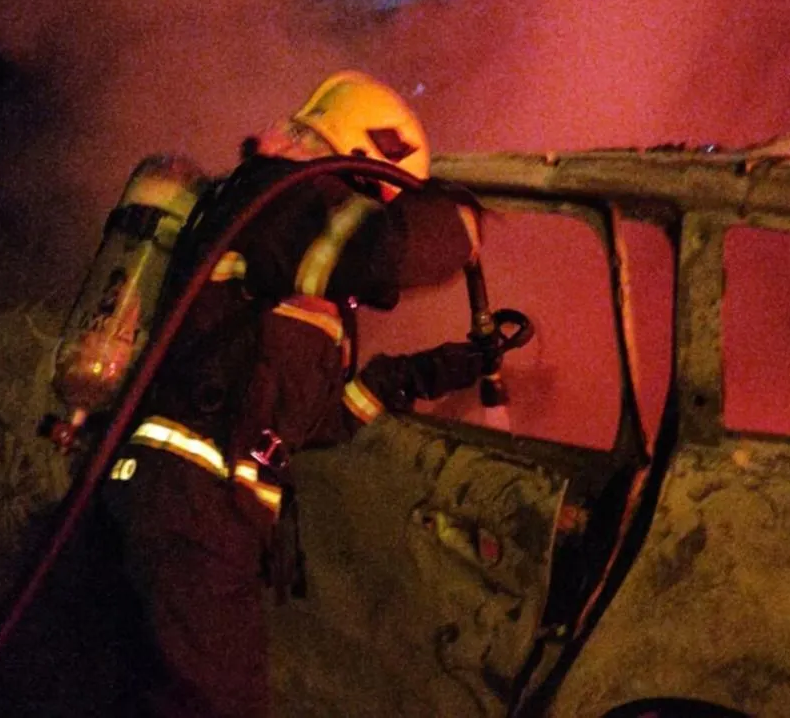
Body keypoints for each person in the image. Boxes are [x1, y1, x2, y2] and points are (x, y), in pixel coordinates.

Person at [98, 70, 500, 718]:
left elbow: (309, 421)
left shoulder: (285, 255)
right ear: (359, 162)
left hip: (200, 513)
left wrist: (424, 374)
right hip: (189, 510)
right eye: (377, 195)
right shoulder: (280, 201)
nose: (375, 208)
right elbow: (385, 253)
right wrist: (466, 214)